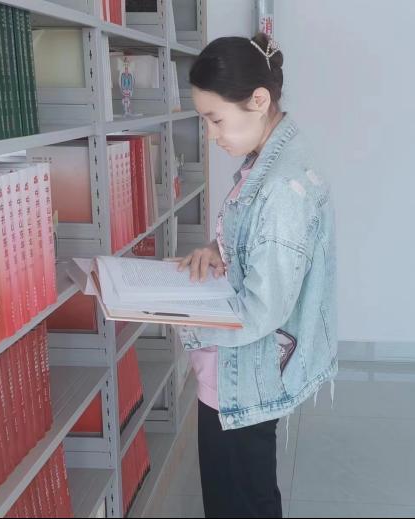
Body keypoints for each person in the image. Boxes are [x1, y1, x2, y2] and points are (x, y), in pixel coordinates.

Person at [175, 32, 337, 519]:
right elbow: (260, 251)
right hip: (239, 371)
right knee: (246, 495)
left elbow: (265, 309)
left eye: (216, 119)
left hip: (244, 374)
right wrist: (218, 251)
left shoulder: (282, 186)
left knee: (240, 501)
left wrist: (183, 318)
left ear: (259, 100)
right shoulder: (268, 160)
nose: (212, 134)